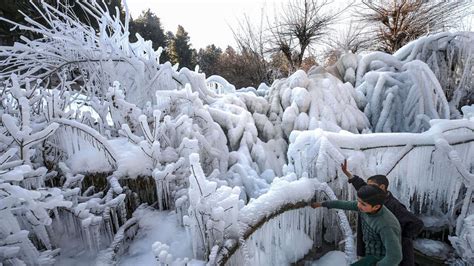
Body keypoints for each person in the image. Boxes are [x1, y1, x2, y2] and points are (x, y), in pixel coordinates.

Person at [341, 159, 424, 266]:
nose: (367, 188)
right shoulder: (372, 196)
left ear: (382, 187)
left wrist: (399, 235)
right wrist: (348, 174)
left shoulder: (394, 205)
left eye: (371, 186)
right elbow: (361, 185)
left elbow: (417, 224)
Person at [311, 185, 402, 266]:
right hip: (369, 255)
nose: (358, 205)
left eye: (363, 204)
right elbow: (345, 204)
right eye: (358, 201)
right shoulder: (366, 208)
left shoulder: (386, 225)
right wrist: (323, 204)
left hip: (379, 259)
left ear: (376, 207)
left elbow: (395, 257)